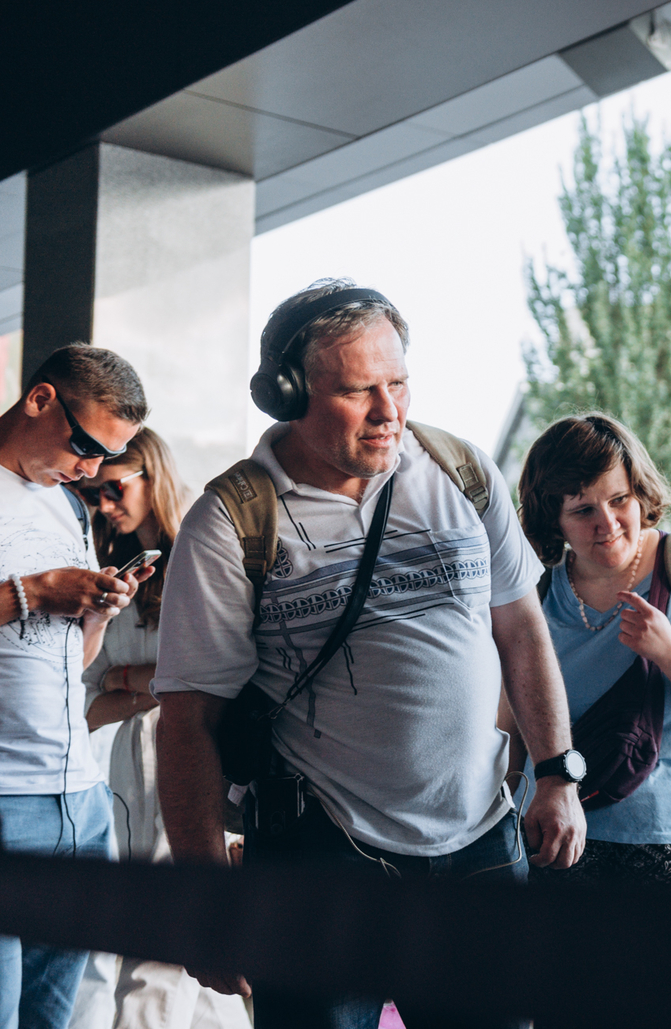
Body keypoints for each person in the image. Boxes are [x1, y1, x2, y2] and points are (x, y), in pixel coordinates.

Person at [153, 279, 584, 1028]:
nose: (390, 412)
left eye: (399, 384)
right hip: (322, 858)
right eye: (359, 391)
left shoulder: (459, 470)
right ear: (288, 394)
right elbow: (189, 718)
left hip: (481, 844)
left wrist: (556, 772)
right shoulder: (232, 520)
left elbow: (520, 628)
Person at [514, 413, 671, 889]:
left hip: (668, 841)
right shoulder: (535, 589)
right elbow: (512, 719)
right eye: (583, 510)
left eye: (619, 499)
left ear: (639, 493)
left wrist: (668, 650)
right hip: (552, 838)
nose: (607, 524)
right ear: (554, 520)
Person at [73, 429, 251, 1029]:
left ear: (153, 475)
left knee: (169, 928)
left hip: (185, 755)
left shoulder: (202, 560)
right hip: (115, 763)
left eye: (115, 489)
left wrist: (130, 680)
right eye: (95, 494)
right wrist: (140, 681)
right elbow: (87, 692)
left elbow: (219, 677)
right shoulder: (109, 569)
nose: (105, 505)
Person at [0, 344, 154, 1029]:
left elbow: (74, 654)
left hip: (79, 798)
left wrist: (94, 611)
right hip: (5, 798)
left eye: (107, 457)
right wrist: (31, 593)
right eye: (87, 445)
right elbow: (32, 603)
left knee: (57, 1019)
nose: (92, 470)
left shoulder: (67, 507)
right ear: (40, 400)